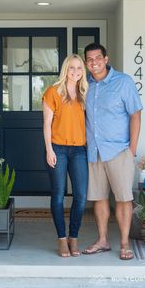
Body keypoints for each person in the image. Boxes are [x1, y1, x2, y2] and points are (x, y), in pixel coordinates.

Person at [82, 43, 143, 260]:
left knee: (124, 199)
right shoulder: (85, 85)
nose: (94, 62)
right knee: (98, 198)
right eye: (89, 59)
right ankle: (102, 240)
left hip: (119, 151)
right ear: (86, 63)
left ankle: (125, 243)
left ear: (106, 59)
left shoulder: (123, 82)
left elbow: (135, 115)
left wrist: (132, 150)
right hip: (94, 152)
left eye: (98, 58)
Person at [42, 54, 88, 258]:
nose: (76, 72)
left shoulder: (84, 92)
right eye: (72, 68)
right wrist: (49, 149)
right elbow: (46, 124)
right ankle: (62, 239)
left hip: (79, 150)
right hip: (58, 149)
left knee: (81, 196)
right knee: (58, 196)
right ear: (65, 69)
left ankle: (73, 238)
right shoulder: (53, 91)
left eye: (79, 68)